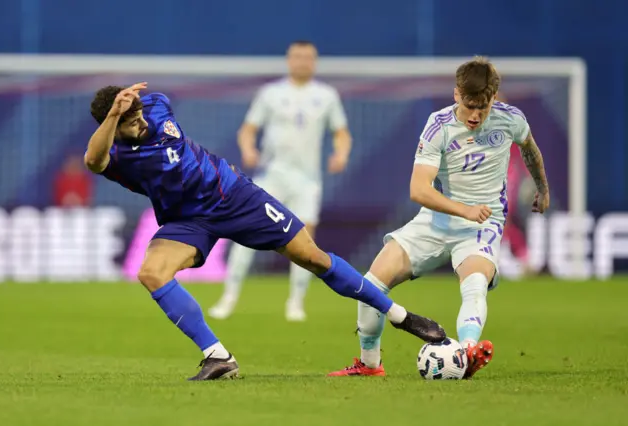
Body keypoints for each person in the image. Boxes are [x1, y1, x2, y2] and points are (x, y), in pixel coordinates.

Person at [84, 82, 446, 381]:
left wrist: (127, 106)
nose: (140, 122)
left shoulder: (157, 104)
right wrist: (115, 115)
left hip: (235, 195)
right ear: (113, 127)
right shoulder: (116, 156)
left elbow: (144, 108)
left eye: (137, 114)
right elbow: (93, 161)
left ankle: (402, 317)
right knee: (151, 272)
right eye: (128, 121)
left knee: (314, 258)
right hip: (188, 219)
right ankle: (218, 356)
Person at [328, 57, 550, 379]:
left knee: (474, 283)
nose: (475, 115)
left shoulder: (511, 119)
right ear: (457, 94)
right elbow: (418, 190)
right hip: (435, 221)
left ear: (494, 99)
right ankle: (369, 364)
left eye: (483, 107)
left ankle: (467, 351)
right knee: (371, 284)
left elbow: (530, 148)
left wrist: (542, 188)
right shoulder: (439, 125)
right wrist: (464, 209)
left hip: (483, 225)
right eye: (470, 105)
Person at [209, 41, 351, 322]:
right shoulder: (271, 93)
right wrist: (248, 148)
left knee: (305, 240)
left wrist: (341, 153)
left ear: (315, 61)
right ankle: (229, 297)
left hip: (307, 180)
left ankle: (296, 302)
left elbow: (341, 132)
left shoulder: (326, 95)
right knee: (246, 232)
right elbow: (248, 129)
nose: (302, 62)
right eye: (297, 57)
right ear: (288, 60)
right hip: (271, 175)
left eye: (307, 57)